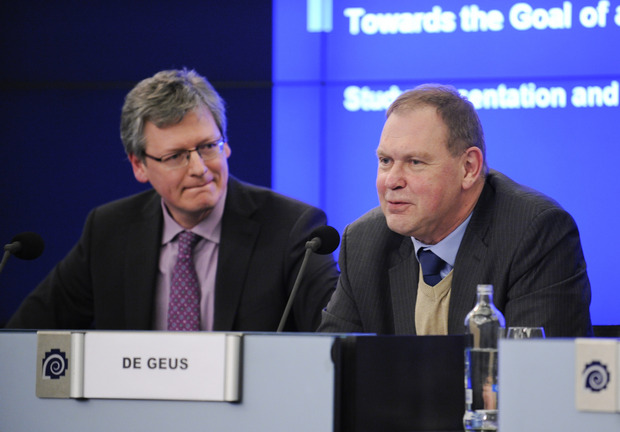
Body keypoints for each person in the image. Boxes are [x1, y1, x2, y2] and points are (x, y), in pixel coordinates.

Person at [6, 68, 339, 332]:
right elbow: (25, 335)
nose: (199, 168)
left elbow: (335, 335)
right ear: (139, 165)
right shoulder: (109, 231)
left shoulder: (292, 229)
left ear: (226, 145)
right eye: (177, 155)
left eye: (208, 146)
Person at [318, 84, 592, 337]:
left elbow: (536, 373)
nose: (392, 180)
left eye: (415, 162)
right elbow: (330, 368)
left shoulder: (535, 233)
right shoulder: (364, 242)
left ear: (469, 168)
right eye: (385, 160)